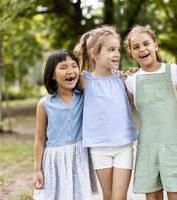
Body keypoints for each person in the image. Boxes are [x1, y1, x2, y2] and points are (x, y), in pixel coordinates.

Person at [124, 25, 177, 200]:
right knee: (152, 192)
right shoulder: (131, 80)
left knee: (176, 188)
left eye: (146, 44)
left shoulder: (172, 70)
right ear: (131, 52)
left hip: (173, 141)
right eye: (136, 47)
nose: (142, 49)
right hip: (147, 142)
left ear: (155, 45)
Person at [73, 25, 138, 200]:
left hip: (124, 146)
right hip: (99, 147)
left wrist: (136, 74)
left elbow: (135, 98)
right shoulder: (84, 80)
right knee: (108, 196)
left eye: (117, 49)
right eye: (111, 50)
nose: (117, 54)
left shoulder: (122, 79)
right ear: (94, 53)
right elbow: (64, 81)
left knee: (119, 196)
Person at [33, 49, 97, 200]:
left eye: (74, 66)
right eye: (63, 67)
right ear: (52, 75)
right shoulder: (44, 104)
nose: (70, 70)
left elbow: (99, 80)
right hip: (54, 160)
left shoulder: (85, 97)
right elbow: (40, 140)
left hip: (78, 157)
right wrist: (37, 170)